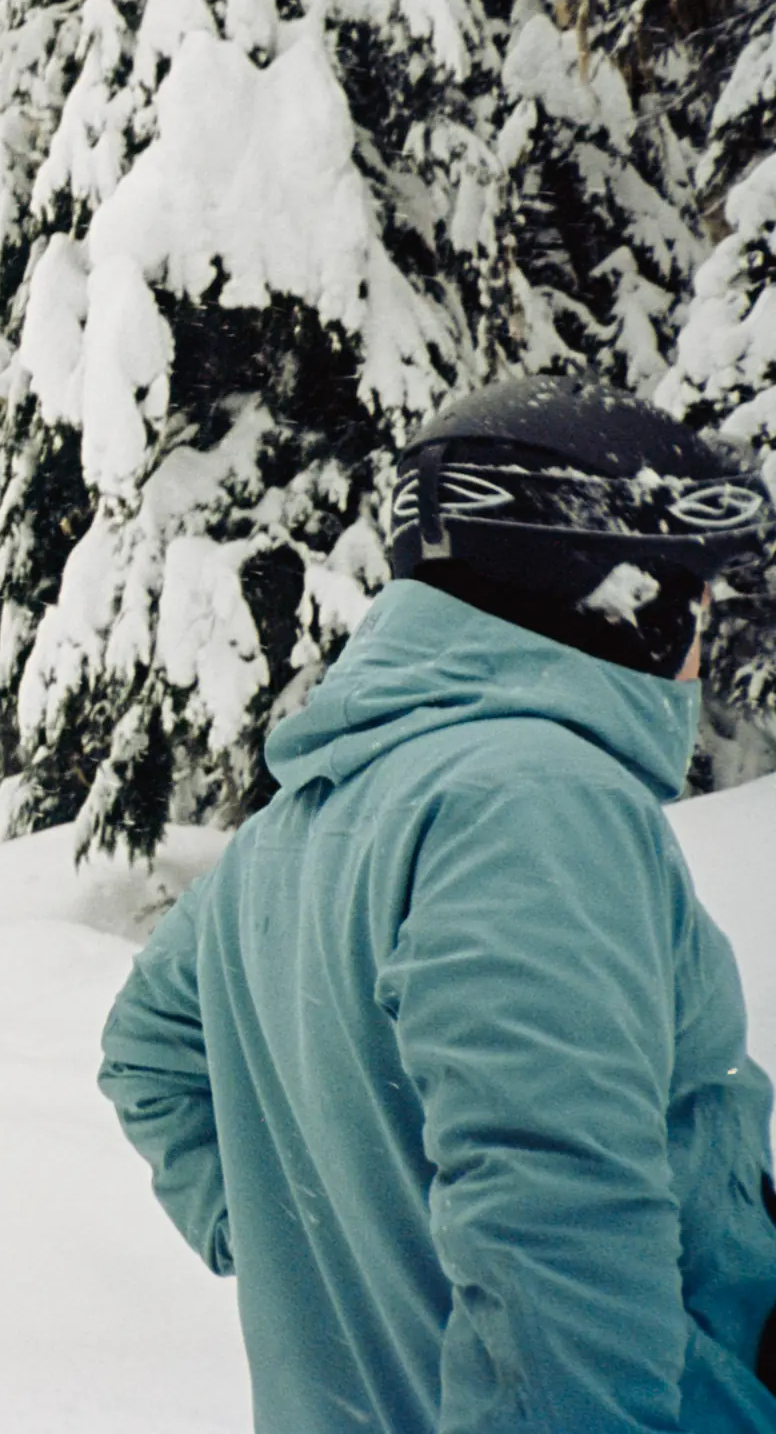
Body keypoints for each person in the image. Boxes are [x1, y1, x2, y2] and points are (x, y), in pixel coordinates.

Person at [100, 378, 776, 1431]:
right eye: (696, 598)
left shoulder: (305, 821)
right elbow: (554, 1232)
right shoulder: (534, 803)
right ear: (619, 591)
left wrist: (322, 1241)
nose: (700, 648)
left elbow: (147, 1049)